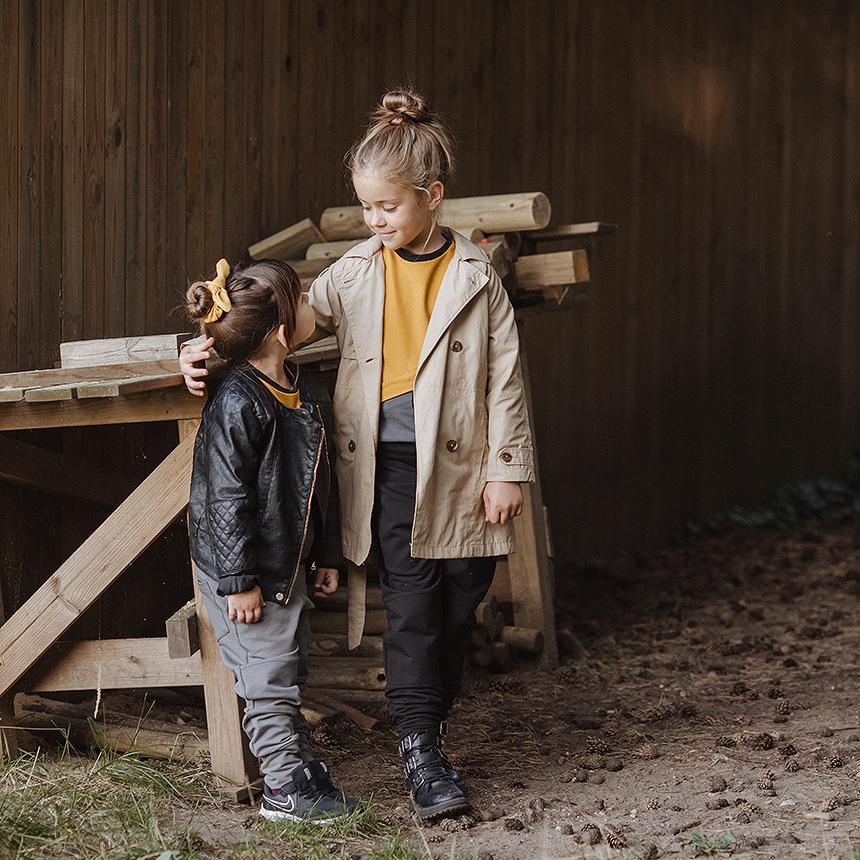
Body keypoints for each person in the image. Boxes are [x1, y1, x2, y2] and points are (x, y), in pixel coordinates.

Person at [180, 88, 534, 819]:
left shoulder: (477, 273)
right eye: (366, 209)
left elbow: (506, 377)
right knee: (413, 605)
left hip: (465, 470)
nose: (374, 222)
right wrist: (199, 352)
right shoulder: (355, 270)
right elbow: (276, 323)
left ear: (432, 197)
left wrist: (507, 468)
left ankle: (429, 717)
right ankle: (420, 746)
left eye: (388, 208)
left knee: (461, 598)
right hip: (391, 464)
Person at [185, 257, 356, 823]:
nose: (312, 305)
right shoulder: (239, 398)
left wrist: (326, 554)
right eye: (304, 299)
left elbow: (318, 481)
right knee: (267, 679)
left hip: (284, 567)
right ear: (284, 330)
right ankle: (285, 791)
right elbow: (224, 496)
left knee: (286, 666)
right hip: (249, 573)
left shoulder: (298, 388)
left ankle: (297, 772)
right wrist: (239, 582)